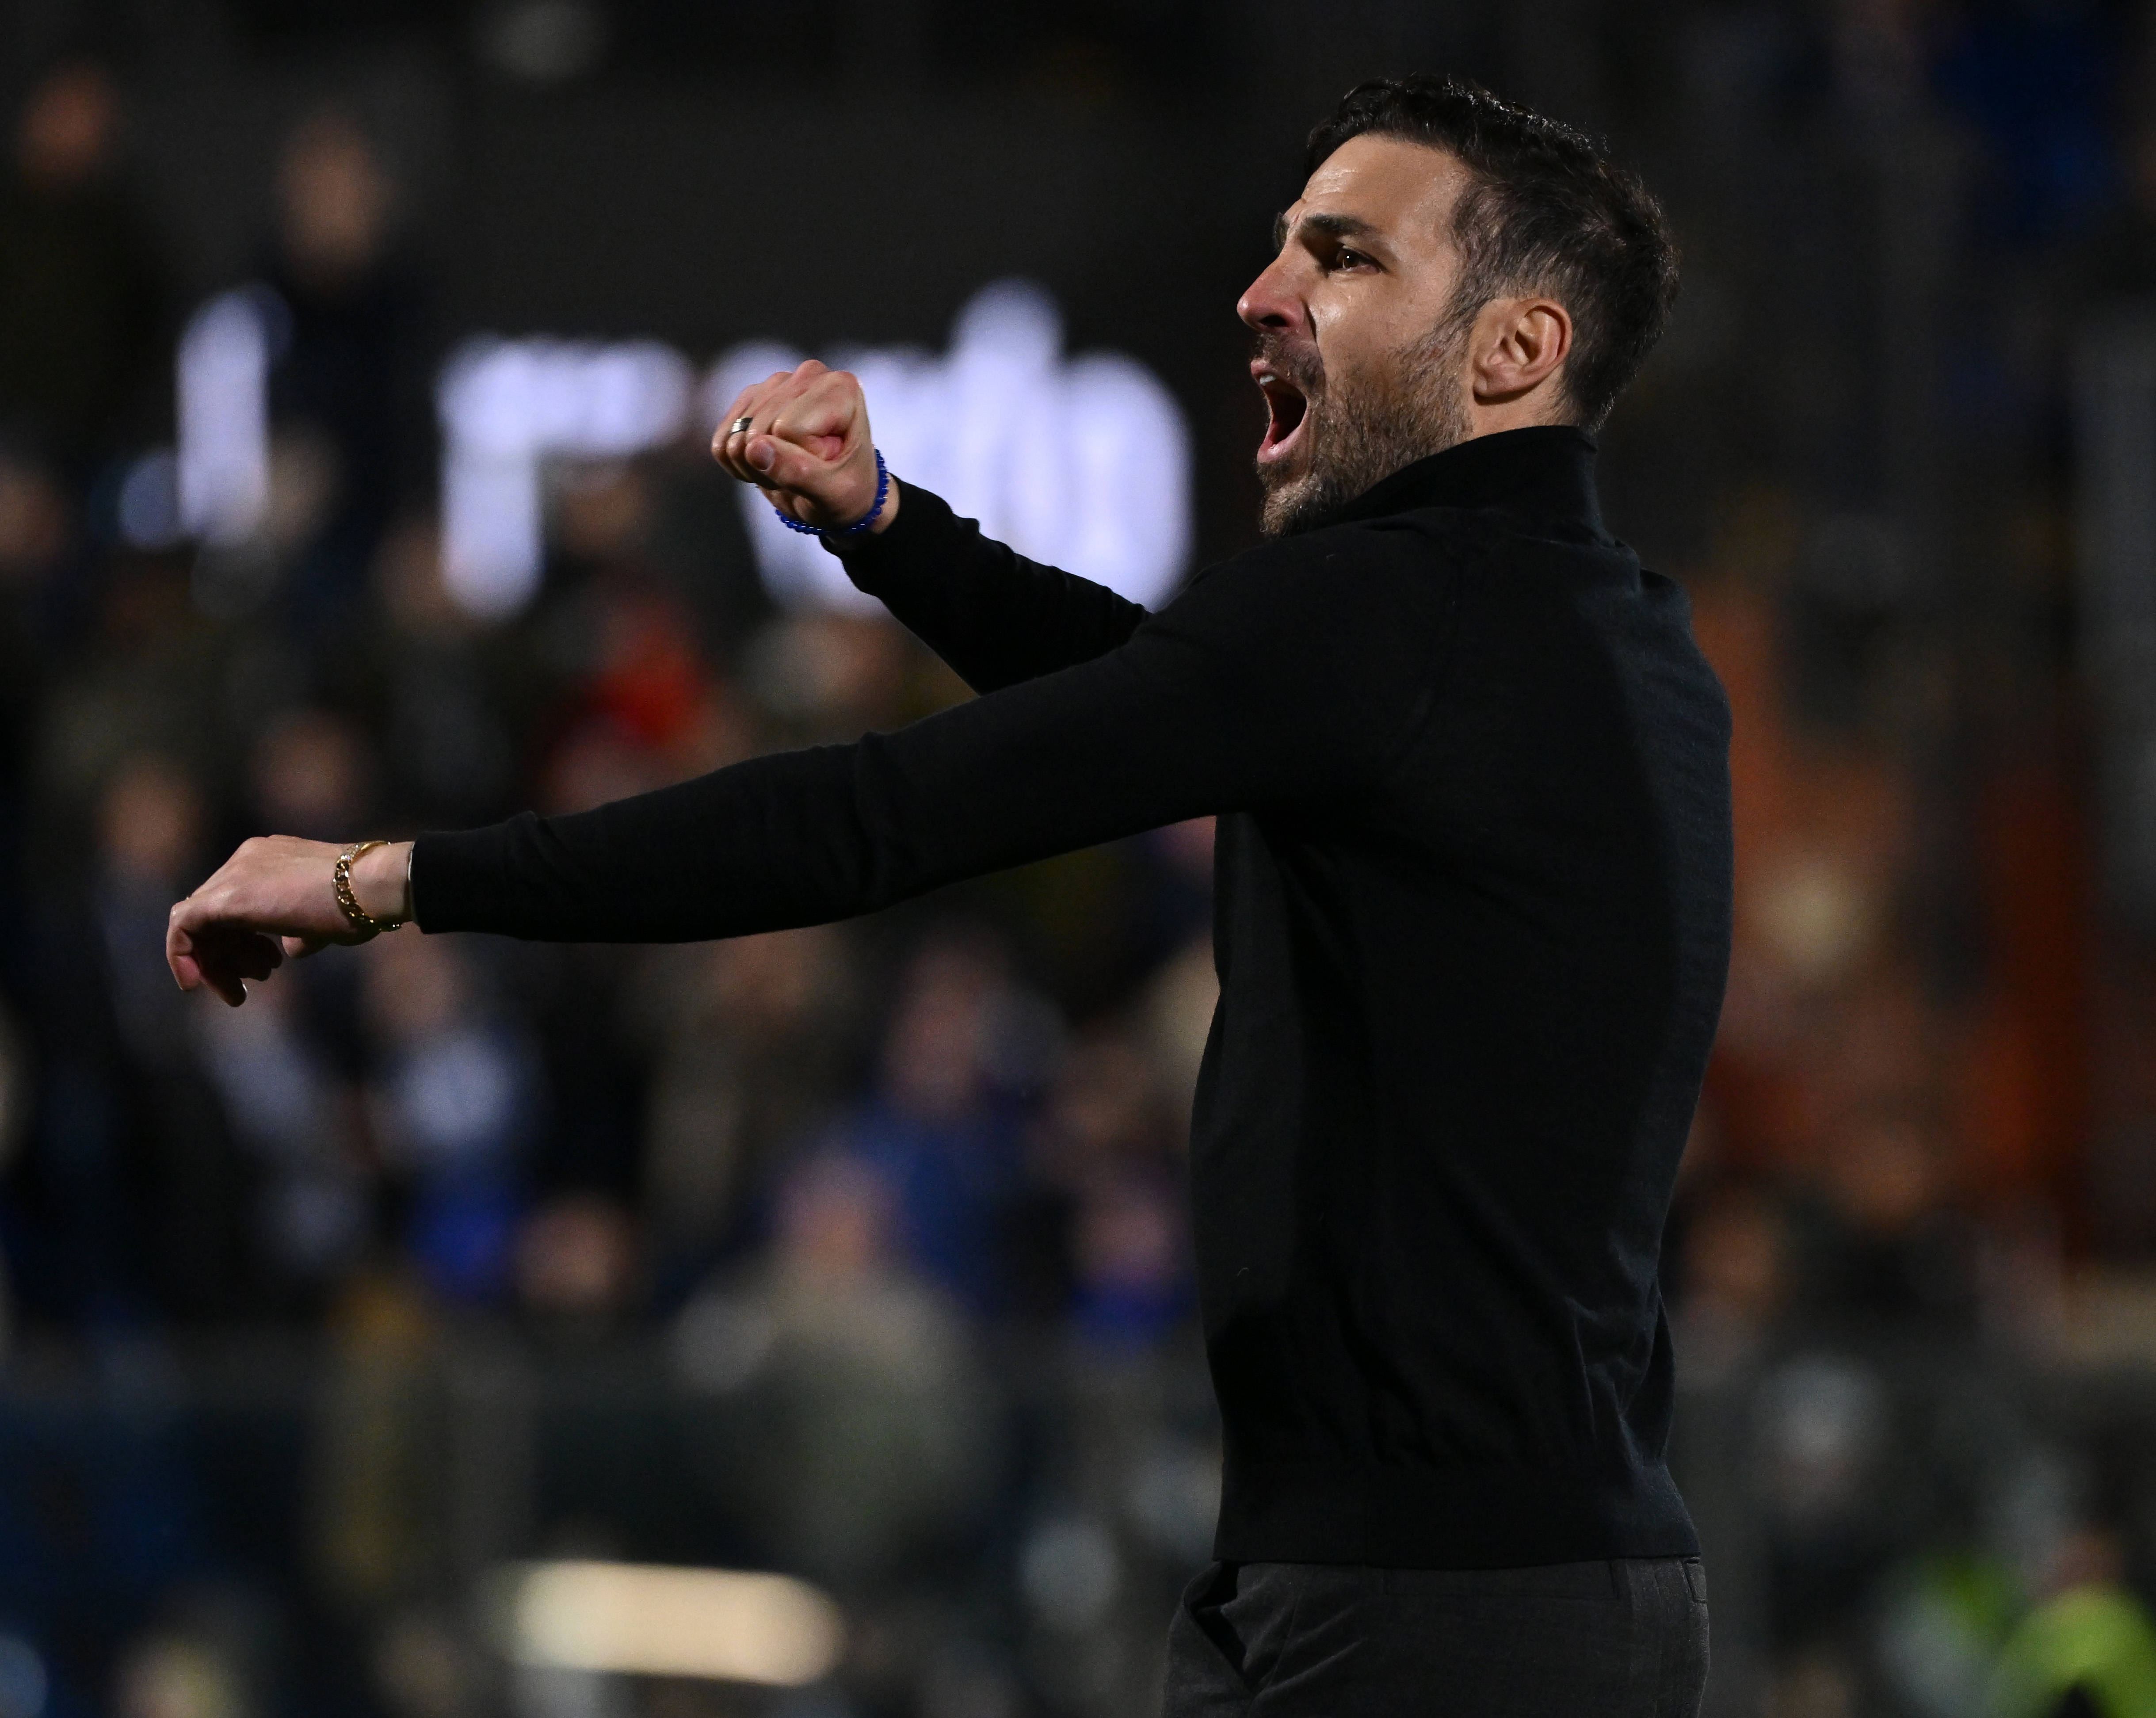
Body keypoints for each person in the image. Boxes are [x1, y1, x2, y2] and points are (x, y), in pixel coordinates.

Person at [167, 75, 1729, 1716]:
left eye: (1344, 257)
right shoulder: (1607, 634)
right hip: (1525, 1583)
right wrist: (890, 529)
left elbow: (874, 816)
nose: (1263, 292)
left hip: (1427, 1624)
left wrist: (386, 879)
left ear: (1515, 349)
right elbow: (1147, 696)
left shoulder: (1387, 615)